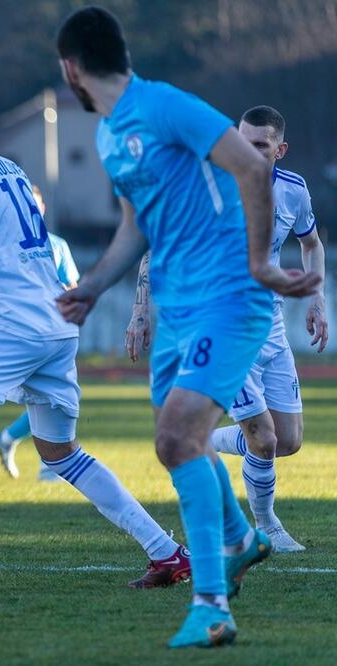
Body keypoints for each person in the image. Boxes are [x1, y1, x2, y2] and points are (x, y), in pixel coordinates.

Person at [54, 7, 321, 648]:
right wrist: (92, 286)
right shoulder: (111, 137)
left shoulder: (168, 105)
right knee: (177, 445)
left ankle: (212, 606)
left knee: (178, 435)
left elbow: (253, 168)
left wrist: (260, 262)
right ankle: (239, 538)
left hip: (229, 294)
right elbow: (135, 227)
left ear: (71, 69)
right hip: (176, 305)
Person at [0, 84, 189, 588]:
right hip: (55, 325)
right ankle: (166, 552)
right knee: (63, 455)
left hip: (11, 325)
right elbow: (4, 244)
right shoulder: (6, 166)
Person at [126, 106, 326, 553]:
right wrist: (141, 309)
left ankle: (190, 440)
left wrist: (318, 300)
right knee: (265, 436)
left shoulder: (293, 191)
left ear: (280, 149)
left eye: (259, 144)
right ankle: (267, 525)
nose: (246, 151)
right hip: (219, 327)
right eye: (241, 140)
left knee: (287, 441)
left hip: (269, 327)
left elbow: (311, 243)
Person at [0, 185, 79, 481]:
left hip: (55, 331)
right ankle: (48, 465)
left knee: (48, 396)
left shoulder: (57, 244)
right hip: (24, 332)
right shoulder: (6, 245)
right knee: (48, 396)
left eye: (35, 205)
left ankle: (11, 441)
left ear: (42, 209)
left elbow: (72, 287)